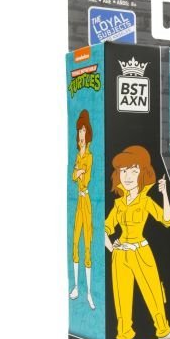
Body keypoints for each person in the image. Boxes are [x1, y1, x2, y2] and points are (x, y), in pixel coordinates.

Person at [105, 145, 170, 339]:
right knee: (122, 304)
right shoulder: (118, 204)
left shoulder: (145, 202)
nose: (127, 176)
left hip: (141, 253)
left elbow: (167, 220)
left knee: (155, 298)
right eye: (123, 171)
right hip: (120, 257)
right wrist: (113, 248)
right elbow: (104, 228)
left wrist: (164, 194)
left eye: (133, 171)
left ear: (142, 174)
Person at [70, 109, 95, 310]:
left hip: (86, 201)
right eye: (79, 131)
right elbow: (74, 176)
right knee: (75, 242)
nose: (81, 134)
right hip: (78, 201)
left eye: (84, 131)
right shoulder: (78, 156)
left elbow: (84, 178)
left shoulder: (88, 157)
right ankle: (76, 287)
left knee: (87, 244)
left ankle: (89, 293)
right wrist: (77, 172)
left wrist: (78, 172)